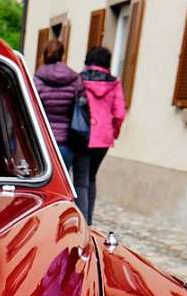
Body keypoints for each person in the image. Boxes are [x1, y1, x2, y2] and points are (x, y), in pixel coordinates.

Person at [74, 46, 126, 225]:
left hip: (81, 134)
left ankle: (81, 219)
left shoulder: (80, 79)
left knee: (80, 179)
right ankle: (88, 219)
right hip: (103, 138)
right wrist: (114, 132)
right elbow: (119, 114)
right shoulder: (115, 83)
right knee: (91, 177)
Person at [34, 38, 83, 169]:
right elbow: (82, 105)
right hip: (67, 141)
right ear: (63, 55)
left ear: (44, 55)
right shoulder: (75, 80)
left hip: (42, 142)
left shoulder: (37, 79)